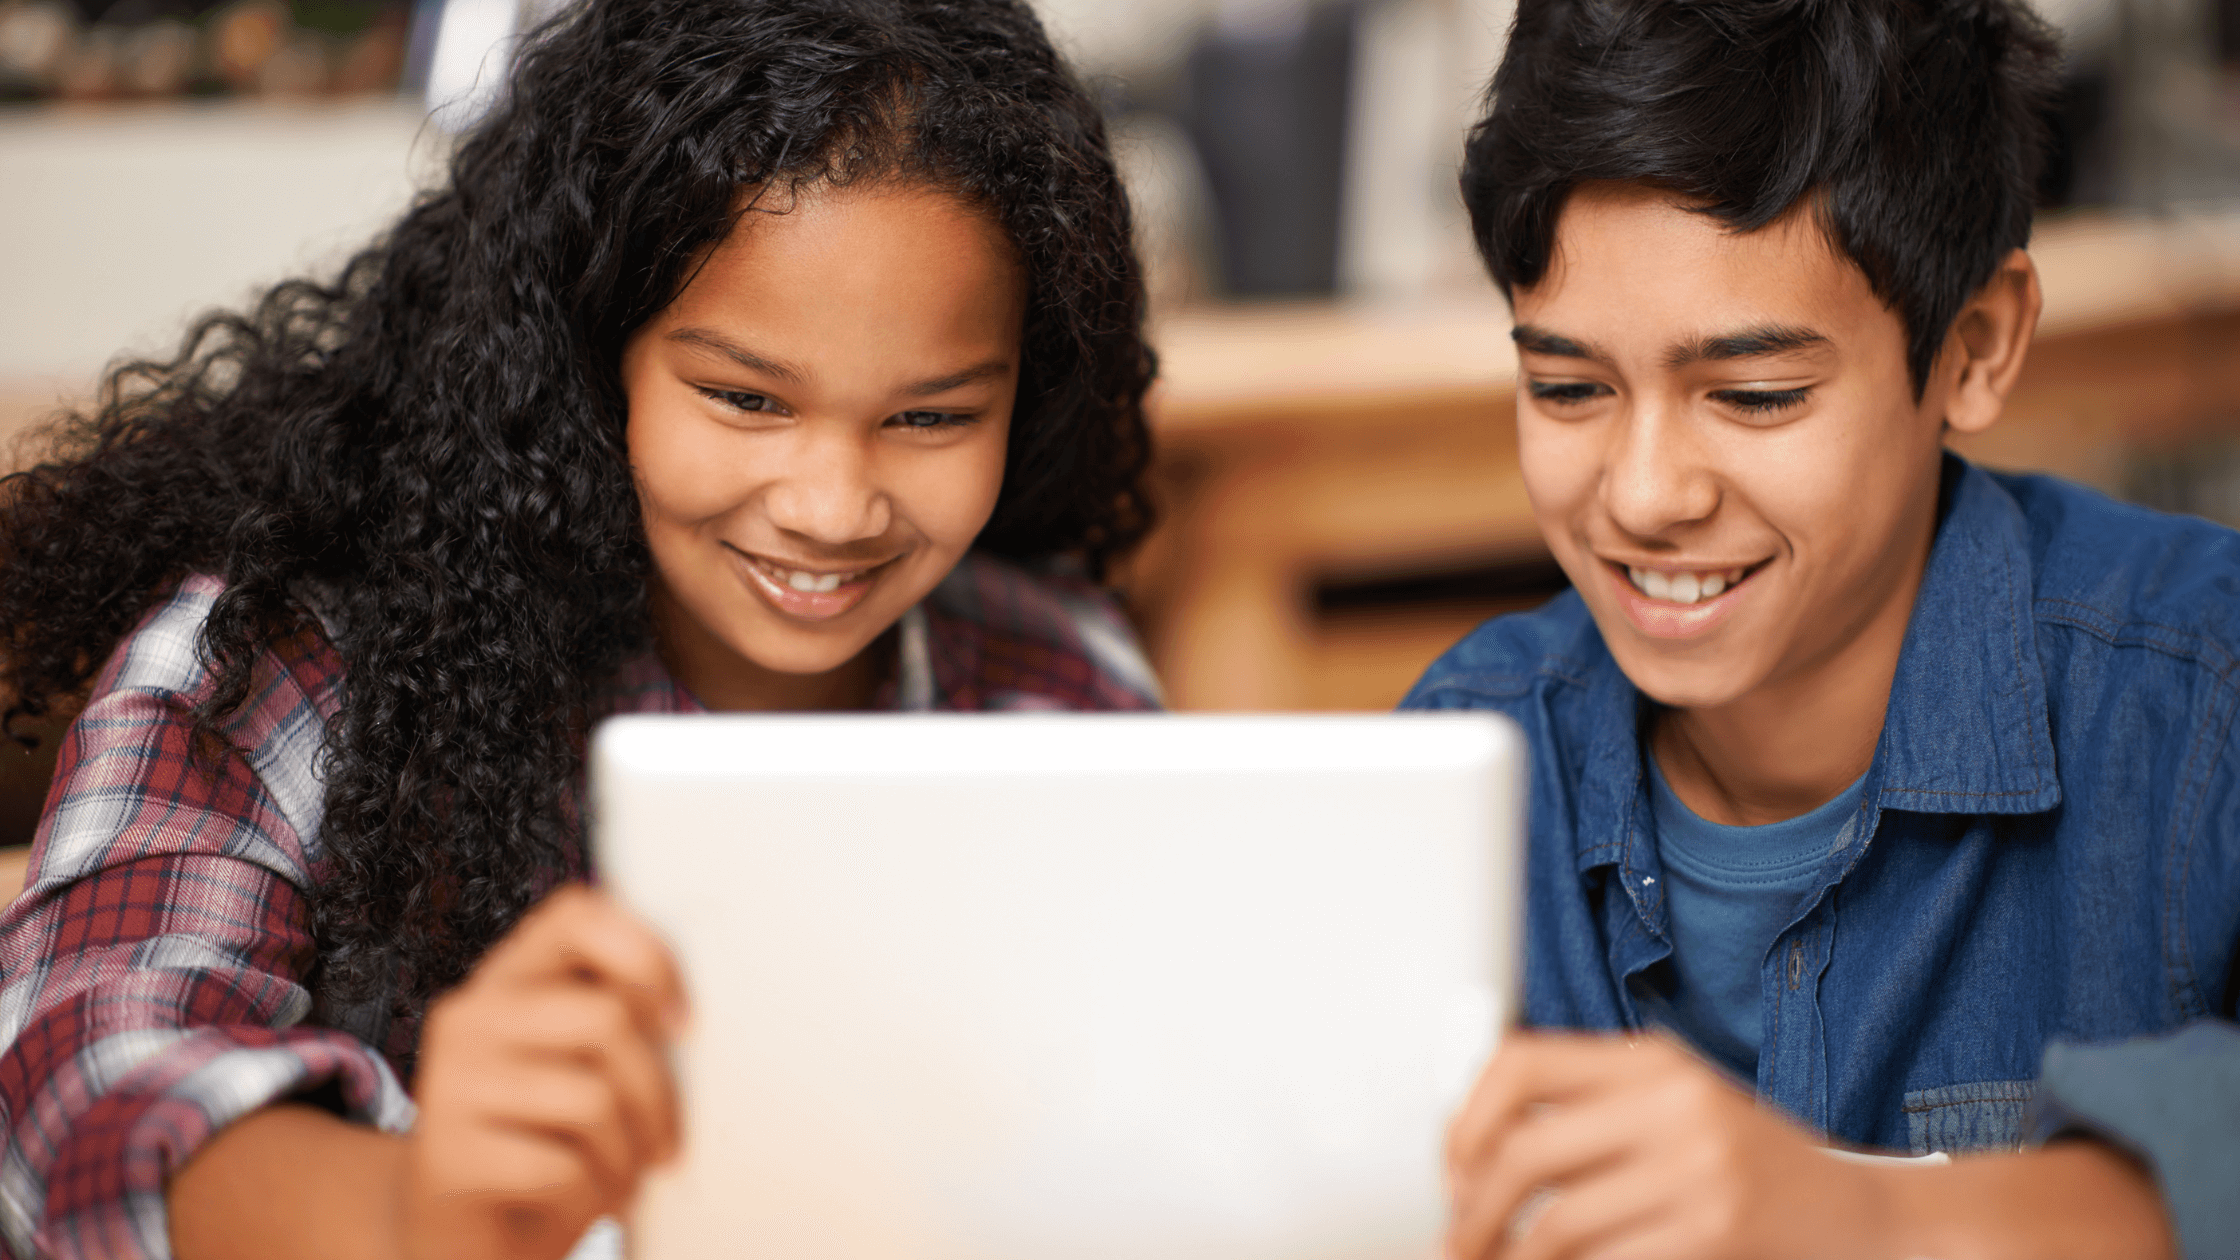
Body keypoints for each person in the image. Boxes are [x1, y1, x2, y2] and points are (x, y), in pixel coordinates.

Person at [0, 1, 1161, 1257]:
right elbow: (72, 1086)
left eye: (931, 419)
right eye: (742, 398)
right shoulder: (287, 664)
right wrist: (415, 1211)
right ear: (587, 355)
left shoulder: (1060, 679)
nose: (833, 506)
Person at [1405, 0, 2239, 1256]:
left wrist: (1863, 1217)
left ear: (1974, 345)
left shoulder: (2198, 701)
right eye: (1566, 388)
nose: (1642, 495)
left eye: (1753, 395)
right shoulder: (1454, 769)